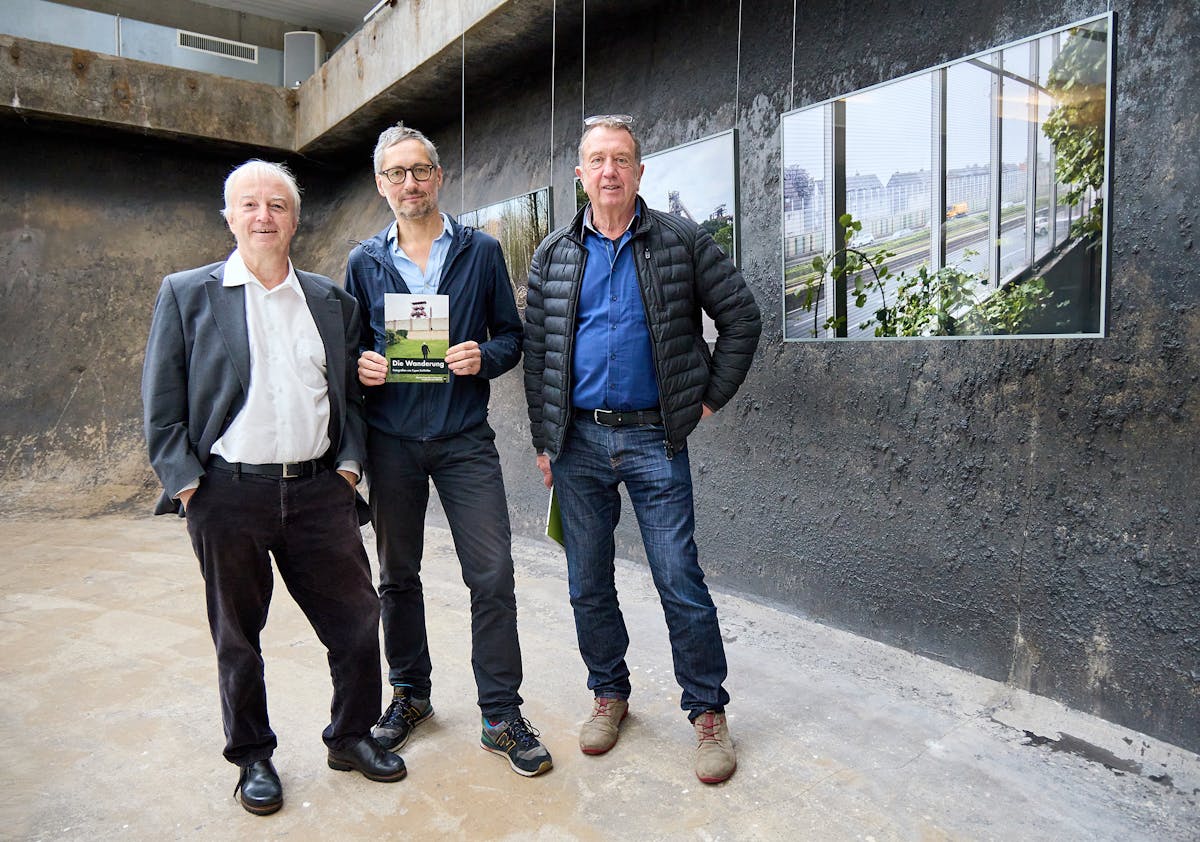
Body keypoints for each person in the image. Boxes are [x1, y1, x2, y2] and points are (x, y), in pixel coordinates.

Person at [142, 161, 406, 816]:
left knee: (356, 621)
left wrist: (347, 471)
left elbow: (348, 398)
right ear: (229, 217)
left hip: (320, 491)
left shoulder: (328, 300)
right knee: (239, 636)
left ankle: (350, 737)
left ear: (294, 219)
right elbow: (161, 408)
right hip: (227, 496)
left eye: (278, 205)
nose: (264, 216)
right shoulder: (187, 293)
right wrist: (188, 488)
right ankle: (253, 757)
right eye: (250, 204)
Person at [522, 115, 761, 784]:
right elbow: (539, 353)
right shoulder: (553, 255)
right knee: (587, 582)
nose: (608, 172)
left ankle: (707, 712)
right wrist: (546, 440)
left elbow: (742, 316)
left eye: (620, 159)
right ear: (580, 173)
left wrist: (704, 400)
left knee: (679, 579)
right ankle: (609, 694)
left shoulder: (681, 241)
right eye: (596, 160)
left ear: (639, 171)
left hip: (656, 437)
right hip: (578, 442)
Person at [344, 123, 552, 777]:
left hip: (464, 440)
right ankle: (410, 696)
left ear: (439, 177)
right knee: (397, 577)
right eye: (397, 173)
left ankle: (500, 714)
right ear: (382, 186)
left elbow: (512, 338)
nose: (410, 183)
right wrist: (363, 366)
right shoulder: (363, 262)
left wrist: (480, 357)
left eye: (420, 170)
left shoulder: (482, 253)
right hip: (393, 443)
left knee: (491, 575)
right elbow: (345, 349)